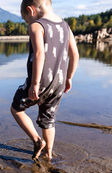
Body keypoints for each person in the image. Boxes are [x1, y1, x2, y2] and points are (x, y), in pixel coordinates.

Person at [11, 0, 79, 161]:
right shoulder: (65, 26)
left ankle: (37, 140)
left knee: (16, 109)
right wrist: (69, 77)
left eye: (27, 19)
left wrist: (34, 84)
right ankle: (48, 152)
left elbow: (39, 54)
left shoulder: (36, 26)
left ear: (30, 10)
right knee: (48, 119)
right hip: (59, 83)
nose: (28, 22)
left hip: (40, 81)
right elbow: (74, 54)